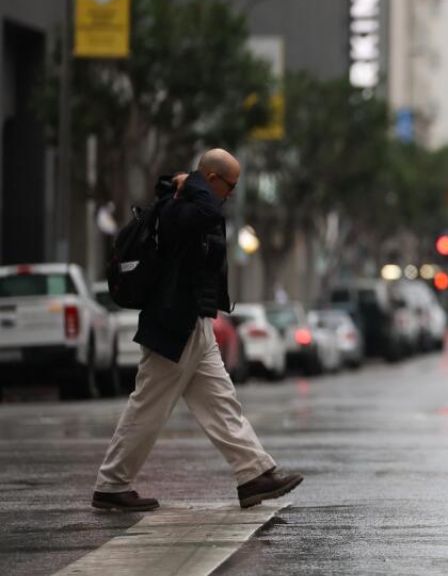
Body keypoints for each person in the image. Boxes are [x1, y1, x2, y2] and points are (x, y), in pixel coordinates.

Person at [92, 149, 303, 512]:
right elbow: (209, 211)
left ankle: (253, 474)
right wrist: (193, 181)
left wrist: (194, 183)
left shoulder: (191, 202)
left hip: (194, 322)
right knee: (148, 407)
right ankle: (111, 485)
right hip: (174, 322)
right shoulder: (178, 208)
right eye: (230, 185)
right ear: (212, 180)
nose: (231, 194)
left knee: (221, 404)